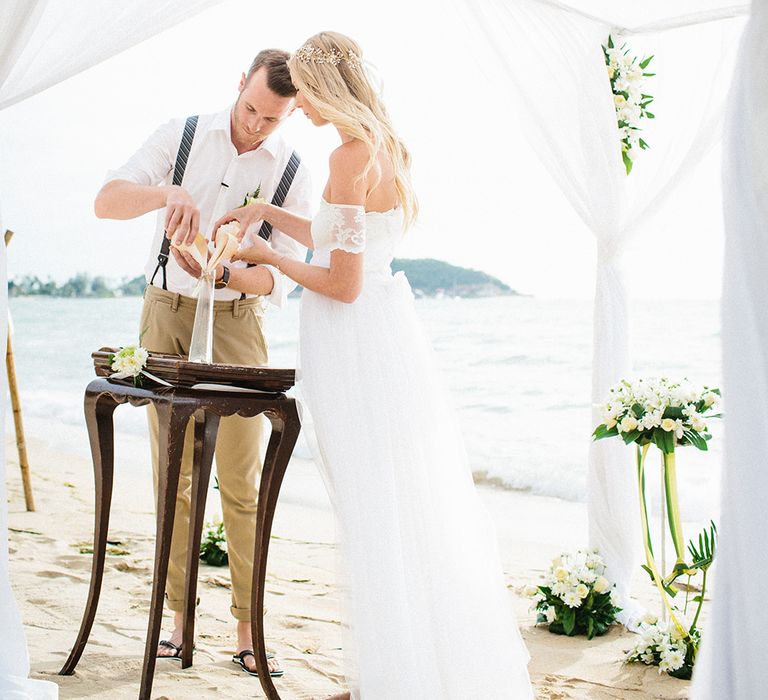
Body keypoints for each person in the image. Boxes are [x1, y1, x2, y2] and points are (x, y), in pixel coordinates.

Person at [213, 32, 533, 699]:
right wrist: (270, 214)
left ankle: (395, 681)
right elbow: (338, 239)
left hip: (353, 341)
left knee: (371, 513)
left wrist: (268, 260)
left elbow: (341, 283)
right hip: (381, 337)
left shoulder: (346, 156)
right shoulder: (381, 148)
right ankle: (395, 673)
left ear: (326, 88)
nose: (298, 108)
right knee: (389, 507)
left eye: (304, 93)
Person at [94, 49, 311, 677]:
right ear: (238, 85)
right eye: (250, 110)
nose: (255, 127)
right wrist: (168, 196)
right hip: (166, 312)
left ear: (290, 114)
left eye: (272, 120)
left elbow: (284, 279)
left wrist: (237, 269)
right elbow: (106, 202)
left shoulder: (292, 168)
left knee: (242, 483)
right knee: (175, 478)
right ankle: (179, 622)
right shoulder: (181, 136)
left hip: (240, 324)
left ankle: (247, 628)